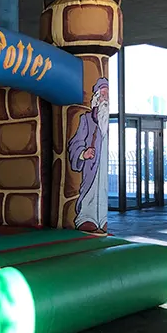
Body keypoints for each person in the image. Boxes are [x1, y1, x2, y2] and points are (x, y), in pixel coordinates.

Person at [69, 77, 109, 233]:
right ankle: (86, 217)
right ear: (97, 98)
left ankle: (103, 219)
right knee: (91, 190)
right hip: (93, 165)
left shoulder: (108, 122)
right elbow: (76, 142)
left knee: (104, 189)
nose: (105, 99)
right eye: (103, 95)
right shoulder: (86, 119)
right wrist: (83, 153)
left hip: (104, 162)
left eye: (107, 95)